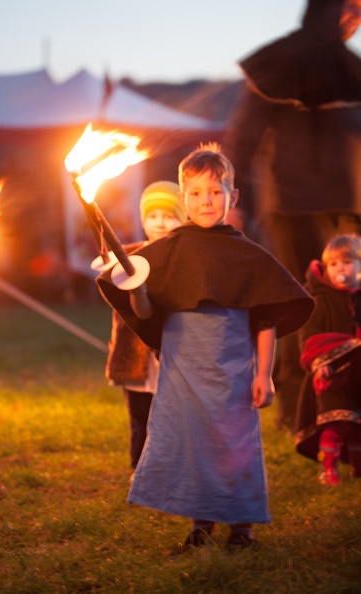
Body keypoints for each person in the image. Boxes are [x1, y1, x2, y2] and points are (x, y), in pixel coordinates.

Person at [97, 143, 314, 551]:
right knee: (194, 445)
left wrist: (265, 373)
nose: (206, 201)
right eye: (195, 193)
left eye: (216, 192)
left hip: (233, 372)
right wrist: (138, 289)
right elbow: (145, 313)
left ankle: (242, 529)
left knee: (235, 446)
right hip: (183, 373)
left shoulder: (247, 255)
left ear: (232, 196)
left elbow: (266, 318)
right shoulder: (168, 251)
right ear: (183, 199)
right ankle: (201, 524)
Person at [223, 0, 361, 433]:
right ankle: (297, 411)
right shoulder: (277, 64)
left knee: (352, 305)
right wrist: (231, 200)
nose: (356, 20)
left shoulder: (349, 69)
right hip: (292, 208)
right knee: (304, 306)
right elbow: (241, 137)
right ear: (327, 9)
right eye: (350, 9)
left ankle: (349, 403)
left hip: (347, 209)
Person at [98, 181, 187, 469]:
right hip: (136, 357)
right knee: (140, 418)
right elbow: (115, 297)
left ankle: (175, 471)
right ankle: (140, 473)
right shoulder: (127, 257)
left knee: (176, 418)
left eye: (169, 215)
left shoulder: (186, 257)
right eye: (152, 215)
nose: (160, 223)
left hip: (174, 353)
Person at [295, 234, 361, 485]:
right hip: (331, 372)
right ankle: (329, 467)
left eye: (347, 262)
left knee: (356, 423)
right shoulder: (320, 299)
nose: (340, 268)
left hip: (357, 371)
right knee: (337, 421)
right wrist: (319, 361)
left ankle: (357, 467)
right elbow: (309, 335)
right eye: (334, 264)